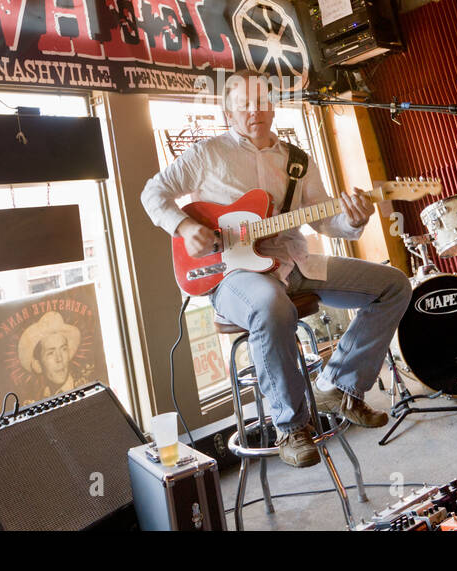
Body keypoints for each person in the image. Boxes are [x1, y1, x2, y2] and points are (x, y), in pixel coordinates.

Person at [141, 71, 412, 467]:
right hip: (231, 275)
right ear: (229, 112)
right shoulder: (207, 154)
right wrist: (183, 226)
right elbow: (154, 192)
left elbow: (325, 221)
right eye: (244, 104)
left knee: (394, 285)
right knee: (272, 306)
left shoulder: (297, 160)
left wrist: (354, 219)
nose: (255, 111)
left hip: (292, 262)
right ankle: (291, 426)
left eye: (261, 101)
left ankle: (338, 385)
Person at [17, 311, 81, 399]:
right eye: (50, 353)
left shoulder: (80, 387)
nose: (59, 359)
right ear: (38, 365)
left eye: (63, 349)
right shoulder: (43, 395)